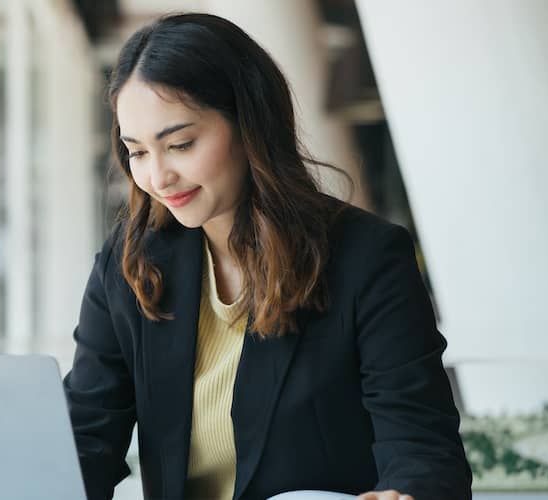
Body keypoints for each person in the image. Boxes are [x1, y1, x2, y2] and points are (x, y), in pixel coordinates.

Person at [63, 13, 471, 500]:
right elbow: (84, 442)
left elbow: (422, 449)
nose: (158, 177)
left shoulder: (366, 258)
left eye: (180, 145)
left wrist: (405, 493)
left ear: (248, 124)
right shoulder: (131, 264)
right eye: (137, 152)